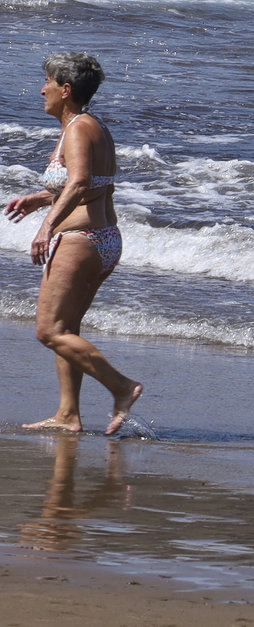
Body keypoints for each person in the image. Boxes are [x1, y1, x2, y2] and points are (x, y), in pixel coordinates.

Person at [4, 53, 142, 436]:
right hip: (102, 238)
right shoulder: (87, 126)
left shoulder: (79, 128)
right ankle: (68, 414)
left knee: (49, 332)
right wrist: (40, 198)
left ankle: (122, 387)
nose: (42, 88)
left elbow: (80, 182)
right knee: (68, 329)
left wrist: (46, 227)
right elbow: (96, 185)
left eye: (47, 81)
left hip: (81, 240)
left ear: (66, 90)